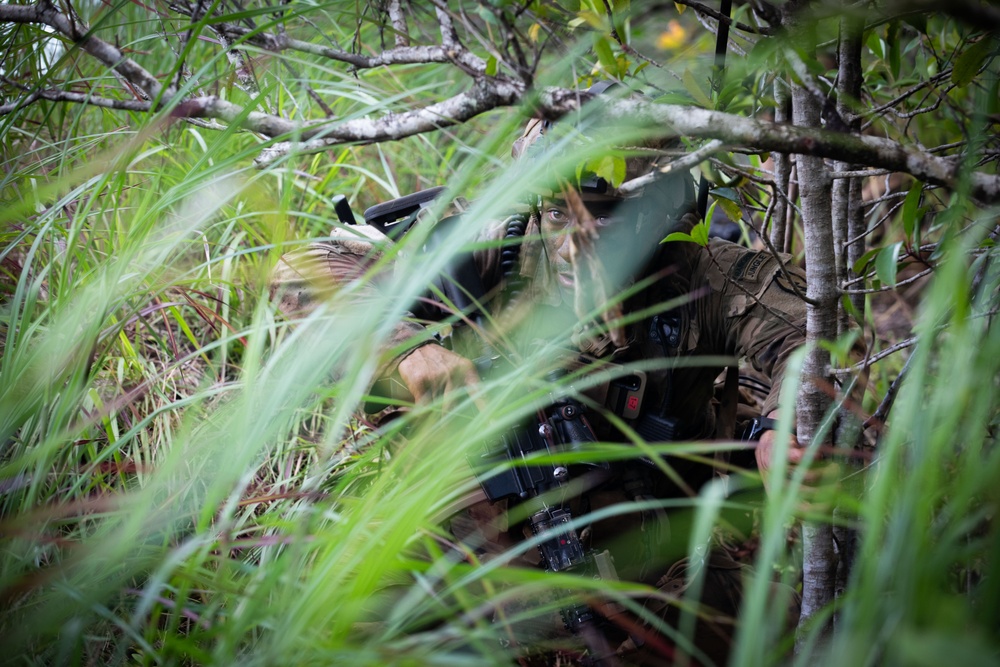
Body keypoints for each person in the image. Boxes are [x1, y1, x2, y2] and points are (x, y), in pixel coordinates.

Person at [271, 94, 814, 664]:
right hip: (475, 536)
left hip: (659, 551)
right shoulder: (489, 249)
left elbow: (813, 330)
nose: (578, 242)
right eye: (560, 213)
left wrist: (785, 424)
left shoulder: (700, 277)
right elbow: (303, 269)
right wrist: (406, 347)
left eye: (611, 219)